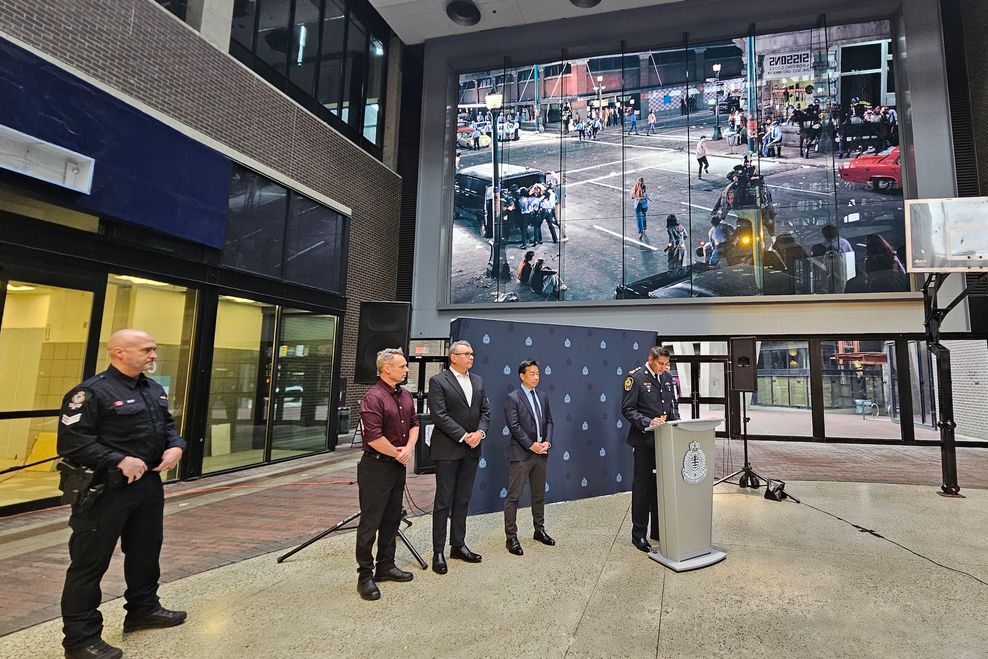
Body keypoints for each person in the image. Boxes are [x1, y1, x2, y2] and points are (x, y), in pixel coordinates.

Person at [57, 329, 187, 659]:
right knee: (89, 563)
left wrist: (176, 447)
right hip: (104, 491)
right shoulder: (91, 393)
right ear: (119, 353)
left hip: (146, 487)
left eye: (154, 349)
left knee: (146, 551)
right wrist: (117, 459)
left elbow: (167, 426)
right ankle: (81, 639)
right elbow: (73, 442)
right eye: (146, 349)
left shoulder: (152, 389)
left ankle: (143, 610)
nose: (153, 355)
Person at [354, 348, 419, 601]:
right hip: (376, 467)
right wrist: (397, 453)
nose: (406, 370)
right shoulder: (373, 397)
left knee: (392, 518)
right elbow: (373, 436)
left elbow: (414, 424)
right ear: (386, 369)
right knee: (371, 522)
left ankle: (386, 566)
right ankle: (365, 576)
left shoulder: (405, 395)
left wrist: (408, 449)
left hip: (396, 465)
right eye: (402, 366)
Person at [428, 341, 491, 574]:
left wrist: (480, 433)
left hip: (472, 449)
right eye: (466, 354)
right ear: (453, 357)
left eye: (472, 354)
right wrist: (465, 436)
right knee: (443, 502)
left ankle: (458, 545)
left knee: (462, 499)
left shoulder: (478, 381)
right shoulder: (438, 381)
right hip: (448, 449)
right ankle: (438, 551)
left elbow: (485, 411)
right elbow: (439, 415)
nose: (471, 357)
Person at [621, 346, 680, 553]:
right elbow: (627, 409)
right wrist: (647, 421)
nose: (664, 368)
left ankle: (658, 529)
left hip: (665, 441)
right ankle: (638, 535)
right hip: (644, 441)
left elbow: (672, 407)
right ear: (650, 359)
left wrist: (678, 426)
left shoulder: (666, 378)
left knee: (661, 487)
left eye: (667, 364)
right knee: (643, 489)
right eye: (660, 363)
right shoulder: (635, 378)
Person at [502, 360, 556, 556]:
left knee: (538, 495)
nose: (536, 377)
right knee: (514, 496)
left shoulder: (543, 396)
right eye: (532, 373)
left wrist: (547, 442)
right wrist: (532, 445)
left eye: (538, 374)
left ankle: (539, 530)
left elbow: (549, 421)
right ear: (522, 376)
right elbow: (514, 426)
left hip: (542, 453)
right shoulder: (513, 398)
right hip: (522, 454)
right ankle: (511, 538)